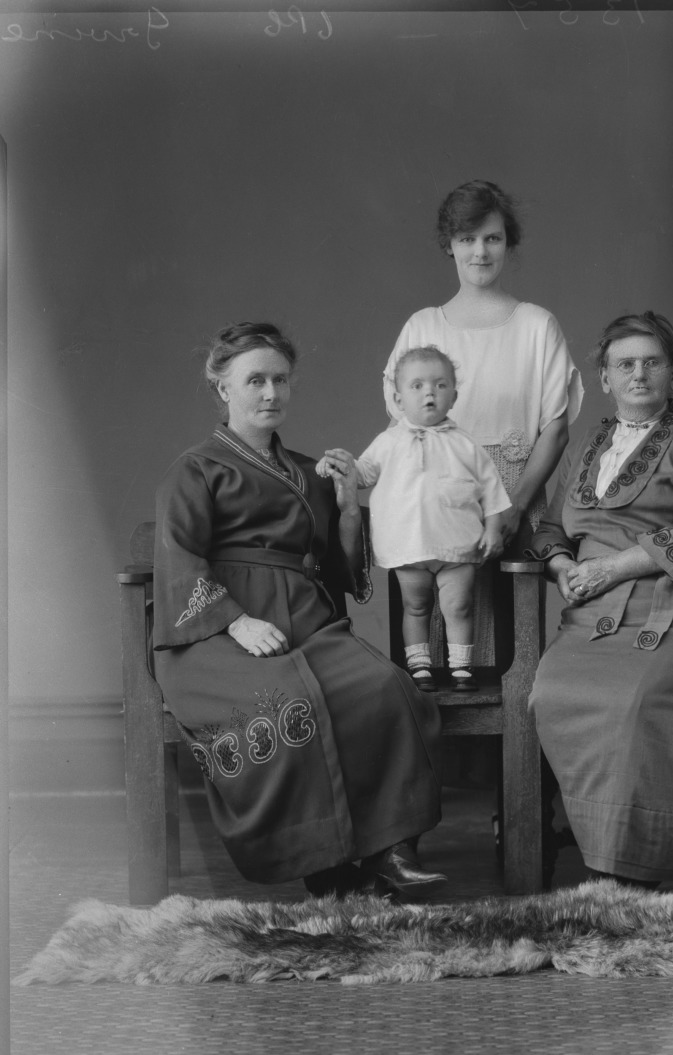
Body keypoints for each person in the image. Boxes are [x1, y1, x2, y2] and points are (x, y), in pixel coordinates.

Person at [152, 322, 446, 899]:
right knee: (290, 702)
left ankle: (391, 851)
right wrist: (236, 620)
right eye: (254, 380)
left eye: (280, 380)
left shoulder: (313, 472)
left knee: (385, 687)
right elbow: (179, 556)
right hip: (216, 631)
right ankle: (328, 868)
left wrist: (348, 507)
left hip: (305, 620)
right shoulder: (196, 469)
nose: (269, 393)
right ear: (223, 389)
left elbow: (339, 571)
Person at [529, 312, 673, 889]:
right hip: (597, 614)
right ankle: (606, 853)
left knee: (637, 701)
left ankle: (656, 865)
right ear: (603, 377)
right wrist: (562, 569)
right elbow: (550, 528)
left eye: (652, 362)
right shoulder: (589, 443)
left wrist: (611, 567)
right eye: (624, 364)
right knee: (554, 693)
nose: (639, 374)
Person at [383, 180, 583, 557]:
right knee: (443, 612)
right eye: (466, 239)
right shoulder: (422, 327)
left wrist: (516, 507)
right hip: (437, 502)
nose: (480, 252)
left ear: (509, 243)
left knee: (514, 615)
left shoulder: (537, 326)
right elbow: (400, 429)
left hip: (516, 499)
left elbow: (555, 430)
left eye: (492, 239)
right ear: (449, 245)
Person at [317, 346, 510, 693]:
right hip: (408, 545)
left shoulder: (467, 445)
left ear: (454, 395)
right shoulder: (388, 442)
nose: (429, 393)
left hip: (457, 544)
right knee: (415, 605)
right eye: (417, 386)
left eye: (440, 385)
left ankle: (461, 668)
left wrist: (494, 529)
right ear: (398, 398)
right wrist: (343, 463)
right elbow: (363, 473)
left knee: (459, 605)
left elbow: (492, 490)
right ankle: (419, 667)